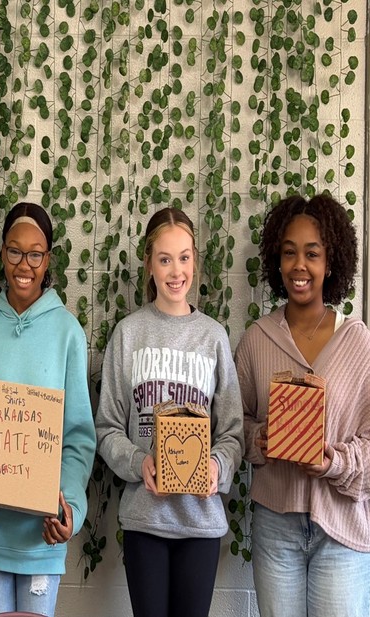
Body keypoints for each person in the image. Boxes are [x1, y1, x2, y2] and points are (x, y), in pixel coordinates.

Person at [234, 194, 370, 617]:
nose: (299, 266)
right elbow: (233, 426)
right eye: (289, 253)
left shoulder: (358, 343)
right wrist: (261, 439)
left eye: (312, 253)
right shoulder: (257, 340)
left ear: (331, 262)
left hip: (343, 532)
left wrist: (337, 462)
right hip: (276, 529)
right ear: (277, 259)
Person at [95, 207, 244, 617]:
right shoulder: (128, 335)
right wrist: (139, 463)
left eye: (183, 257)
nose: (175, 271)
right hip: (146, 520)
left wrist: (216, 466)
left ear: (195, 259)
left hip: (200, 523)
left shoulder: (214, 338)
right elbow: (107, 427)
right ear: (149, 264)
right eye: (164, 259)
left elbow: (232, 432)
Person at [0, 202, 96, 617]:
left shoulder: (67, 331)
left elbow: (78, 437)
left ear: (48, 259)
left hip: (42, 538)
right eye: (15, 251)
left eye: (35, 254)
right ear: (2, 253)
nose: (24, 265)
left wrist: (69, 507)